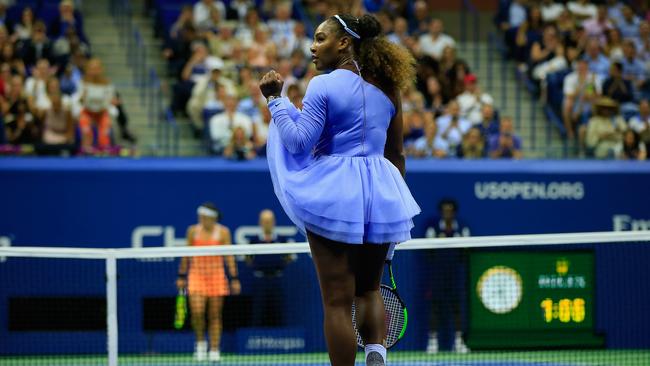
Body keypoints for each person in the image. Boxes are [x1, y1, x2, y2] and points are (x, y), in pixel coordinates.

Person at [259, 13, 420, 366]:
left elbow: (299, 143)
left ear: (344, 43)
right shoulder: (389, 89)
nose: (313, 47)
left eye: (320, 39)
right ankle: (376, 356)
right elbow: (397, 155)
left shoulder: (323, 84)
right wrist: (387, 213)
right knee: (369, 290)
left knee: (336, 301)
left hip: (334, 192)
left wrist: (275, 101)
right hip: (381, 192)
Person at [176, 203, 241, 362]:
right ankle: (200, 345)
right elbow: (186, 255)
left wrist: (234, 278)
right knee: (197, 313)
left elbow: (229, 257)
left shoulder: (223, 232)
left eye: (205, 217)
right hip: (196, 276)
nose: (202, 219)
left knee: (215, 315)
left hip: (216, 277)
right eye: (201, 217)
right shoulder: (193, 231)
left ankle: (214, 349)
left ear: (212, 218)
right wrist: (181, 275)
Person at [424, 199, 470, 354]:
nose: (447, 213)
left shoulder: (462, 229)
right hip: (437, 275)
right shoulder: (433, 229)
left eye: (450, 210)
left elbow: (465, 252)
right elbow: (429, 251)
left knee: (457, 307)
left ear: (454, 212)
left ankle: (458, 342)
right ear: (441, 211)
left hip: (455, 274)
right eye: (444, 210)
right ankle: (432, 342)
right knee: (435, 307)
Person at [245, 209, 295, 327]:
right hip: (260, 281)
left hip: (276, 280)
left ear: (274, 222)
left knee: (278, 311)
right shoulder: (254, 240)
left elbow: (289, 257)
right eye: (264, 221)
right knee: (258, 311)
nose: (267, 223)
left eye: (269, 221)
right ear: (260, 222)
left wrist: (280, 265)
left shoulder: (282, 240)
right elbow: (248, 259)